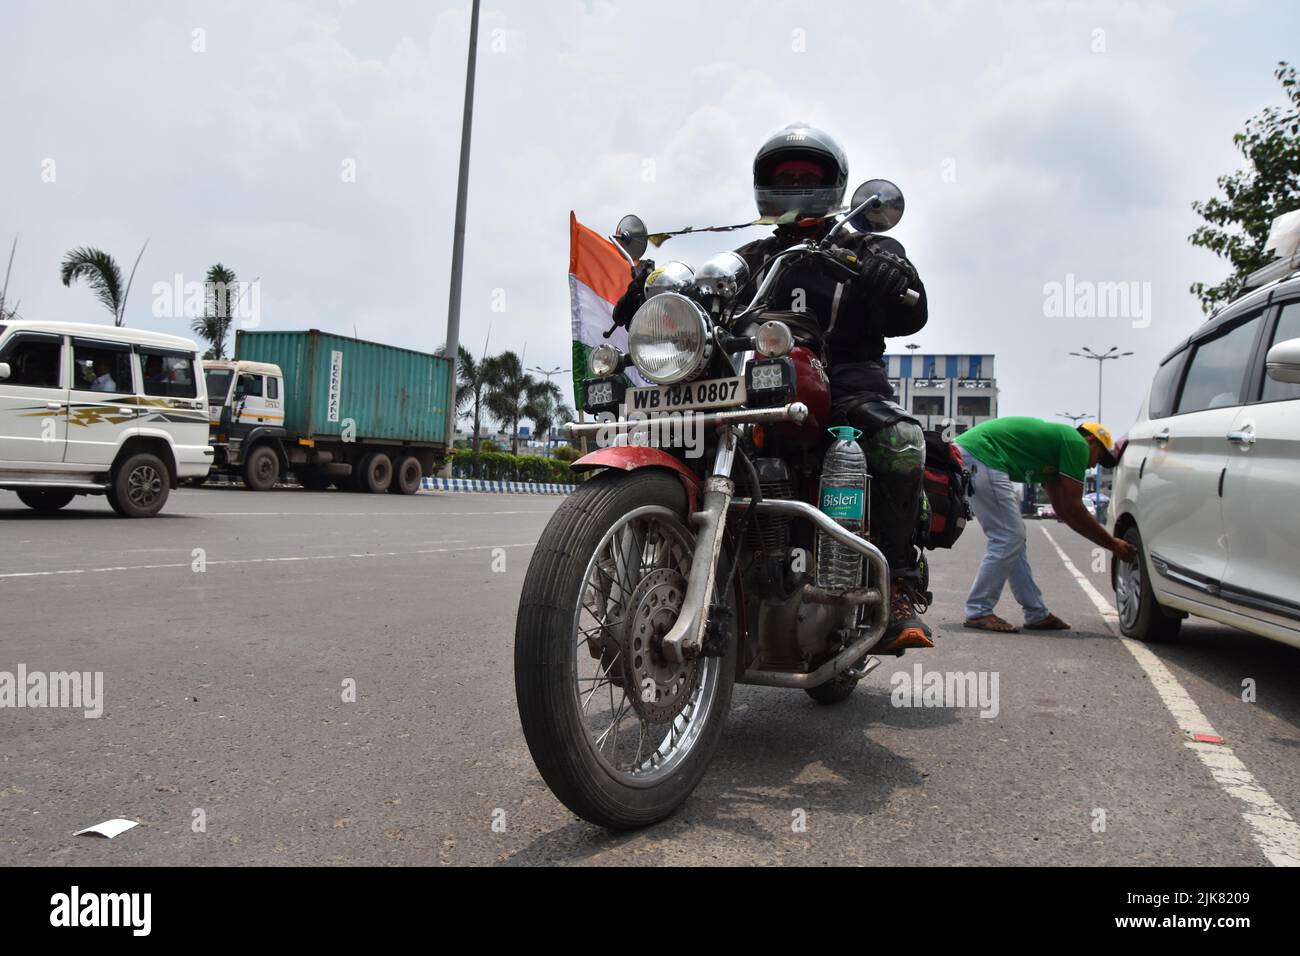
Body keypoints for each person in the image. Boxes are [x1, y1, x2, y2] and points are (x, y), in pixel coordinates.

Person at [612, 123, 933, 654]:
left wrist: (889, 274)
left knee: (899, 440)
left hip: (844, 374)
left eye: (806, 177)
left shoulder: (866, 245)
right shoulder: (751, 256)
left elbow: (912, 308)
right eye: (783, 178)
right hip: (752, 378)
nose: (794, 186)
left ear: (834, 184)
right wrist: (648, 290)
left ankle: (898, 583)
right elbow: (704, 302)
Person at [954, 417, 1137, 632]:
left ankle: (1036, 613)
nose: (1092, 465)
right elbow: (1075, 508)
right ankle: (978, 610)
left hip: (974, 455)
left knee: (1013, 541)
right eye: (1098, 458)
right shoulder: (1076, 443)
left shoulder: (1056, 452)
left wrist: (1110, 544)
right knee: (1009, 536)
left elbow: (1065, 512)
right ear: (1091, 441)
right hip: (981, 454)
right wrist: (1112, 544)